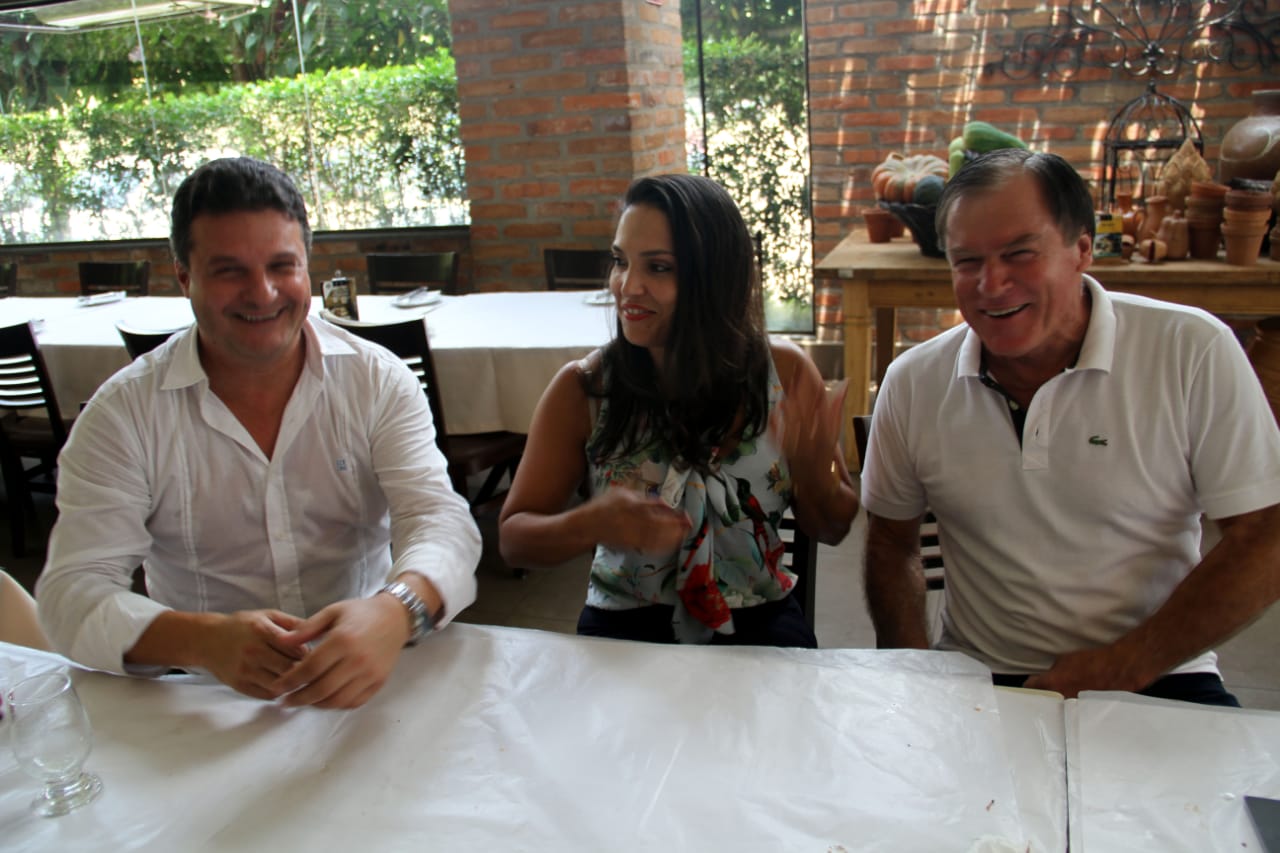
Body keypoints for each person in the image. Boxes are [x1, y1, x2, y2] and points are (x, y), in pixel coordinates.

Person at [37, 157, 481, 709]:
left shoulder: (376, 380)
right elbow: (71, 595)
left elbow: (440, 520)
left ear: (307, 268)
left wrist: (395, 610)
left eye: (281, 266)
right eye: (229, 271)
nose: (263, 292)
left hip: (371, 672)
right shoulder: (123, 413)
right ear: (184, 278)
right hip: (203, 698)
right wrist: (201, 640)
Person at [862, 148, 1280, 706]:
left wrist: (1126, 664)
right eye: (966, 261)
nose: (991, 283)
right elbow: (892, 543)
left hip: (1162, 672)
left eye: (1019, 254)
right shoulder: (915, 381)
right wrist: (916, 676)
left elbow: (1265, 535)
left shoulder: (1190, 350)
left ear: (1082, 248)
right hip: (981, 678)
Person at [499, 173, 858, 647]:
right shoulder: (585, 388)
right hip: (624, 630)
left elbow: (833, 528)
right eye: (620, 261)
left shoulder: (785, 374)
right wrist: (589, 522)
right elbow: (513, 541)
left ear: (716, 278)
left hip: (759, 621)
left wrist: (816, 475)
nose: (628, 286)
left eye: (659, 267)